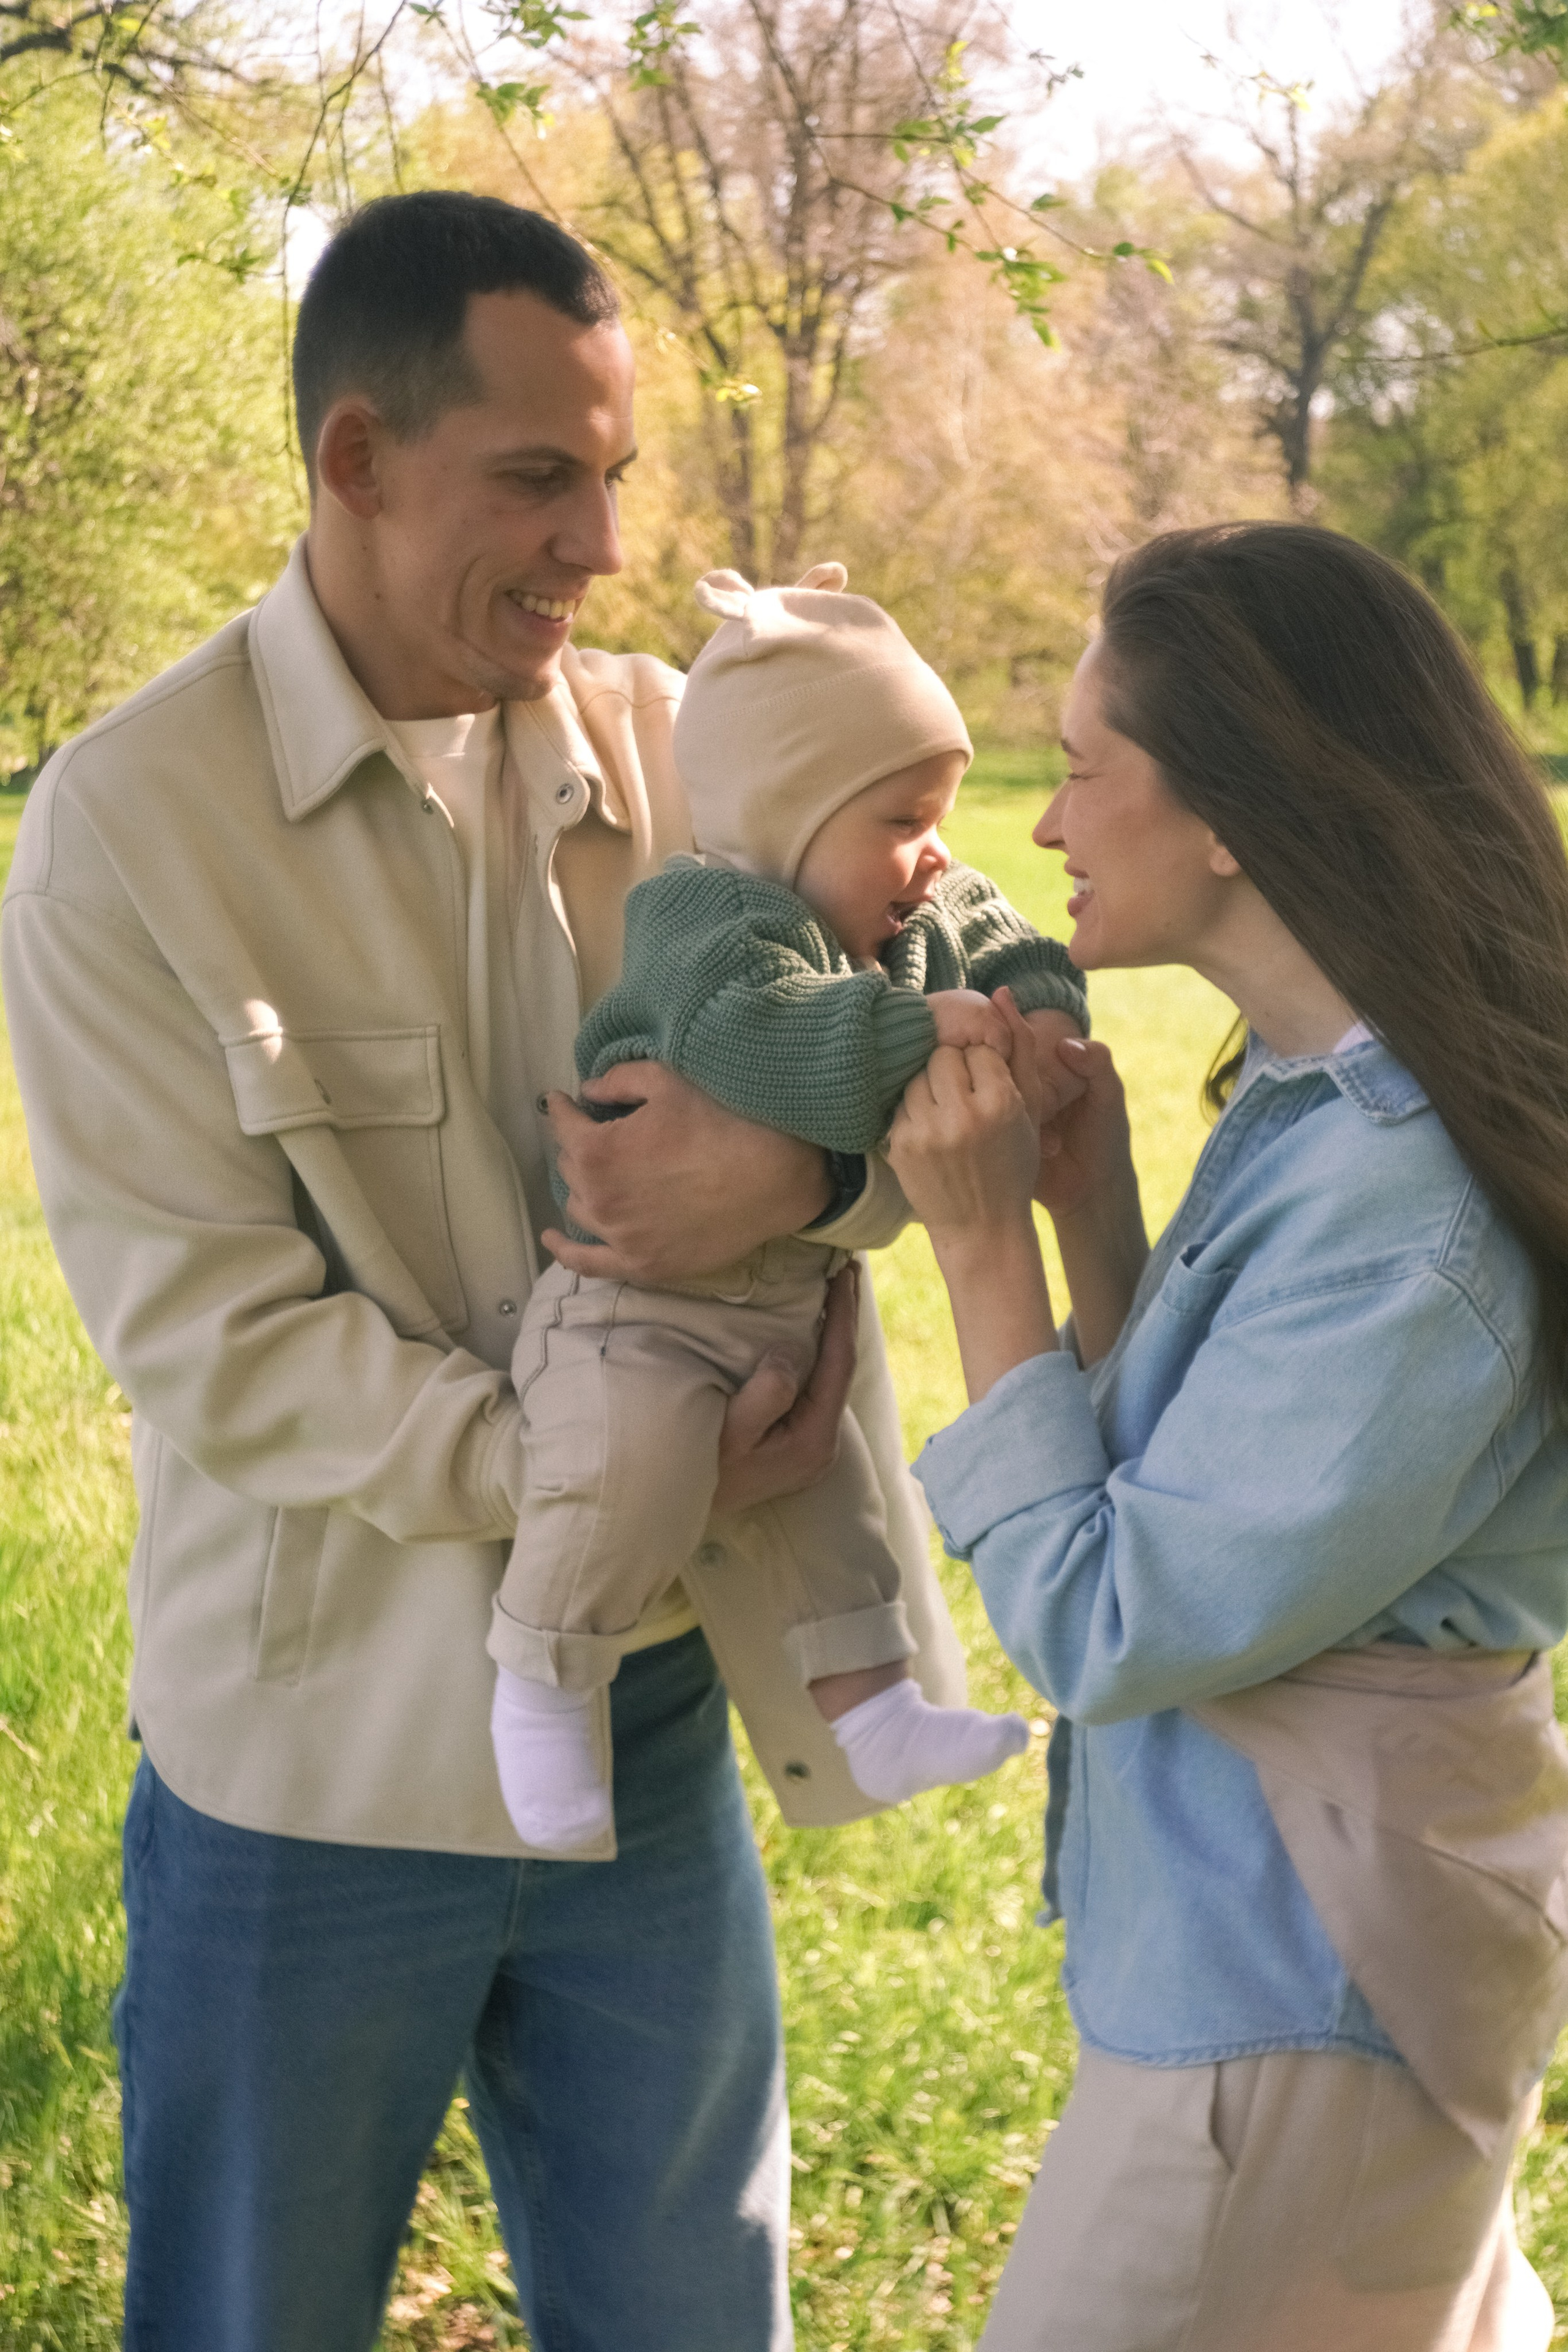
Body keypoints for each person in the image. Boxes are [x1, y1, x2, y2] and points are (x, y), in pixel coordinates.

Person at [0, 190, 968, 2352]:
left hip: (656, 1724)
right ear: (356, 458)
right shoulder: (126, 825)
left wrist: (791, 1170)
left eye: (613, 473)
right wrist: (606, 1468)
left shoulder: (691, 741)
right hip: (311, 1787)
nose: (600, 545)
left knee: (698, 2321)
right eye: (539, 478)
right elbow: (216, 1344)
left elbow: (934, 1056)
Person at [886, 521, 1568, 2351]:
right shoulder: (1325, 1101)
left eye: (1083, 768)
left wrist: (979, 1252)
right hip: (1292, 1965)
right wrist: (1090, 1209)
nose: (1045, 825)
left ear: (1229, 811)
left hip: (1292, 2003)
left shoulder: (1404, 1210)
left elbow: (1112, 1618)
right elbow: (1215, 1487)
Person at [489, 559, 1090, 1850]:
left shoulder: (907, 908)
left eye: (940, 810)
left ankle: (874, 1707)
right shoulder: (705, 918)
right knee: (624, 1466)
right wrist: (931, 1026)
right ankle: (542, 1679)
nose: (938, 851)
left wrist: (1038, 1015)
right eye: (903, 817)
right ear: (782, 816)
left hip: (778, 1306)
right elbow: (765, 1042)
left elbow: (1006, 934)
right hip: (636, 1315)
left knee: (828, 1507)